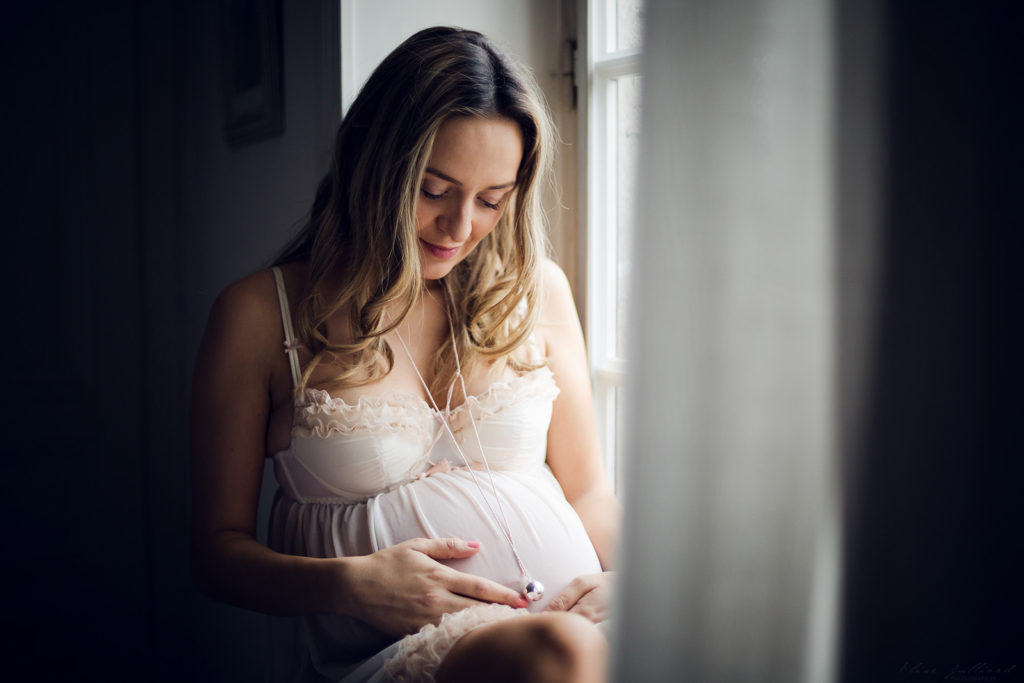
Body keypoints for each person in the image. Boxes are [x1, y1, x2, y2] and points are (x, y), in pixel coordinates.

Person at [189, 26, 620, 682]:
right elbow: (215, 555)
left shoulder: (537, 292)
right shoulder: (258, 315)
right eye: (433, 188)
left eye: (491, 201)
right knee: (560, 654)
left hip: (579, 621)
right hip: (407, 653)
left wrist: (631, 582)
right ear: (375, 163)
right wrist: (348, 584)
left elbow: (588, 489)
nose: (459, 227)